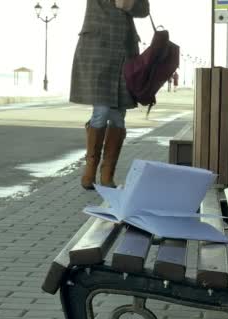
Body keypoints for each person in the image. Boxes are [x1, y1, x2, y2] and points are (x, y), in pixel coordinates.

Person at [70, 0, 150, 190]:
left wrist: (129, 5)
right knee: (102, 110)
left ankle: (107, 174)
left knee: (118, 115)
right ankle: (90, 169)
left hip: (125, 52)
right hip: (98, 50)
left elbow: (144, 10)